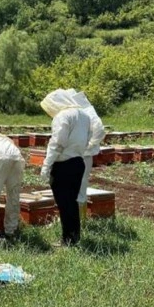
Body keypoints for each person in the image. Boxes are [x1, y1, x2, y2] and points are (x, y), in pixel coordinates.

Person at [40, 89, 92, 247]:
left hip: (63, 164)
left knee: (64, 203)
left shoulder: (62, 116)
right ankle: (74, 237)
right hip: (78, 162)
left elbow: (57, 143)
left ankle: (68, 240)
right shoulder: (84, 115)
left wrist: (46, 165)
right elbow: (89, 136)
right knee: (72, 202)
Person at [69, 90, 105, 221]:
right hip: (74, 154)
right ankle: (75, 219)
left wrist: (89, 145)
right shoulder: (80, 112)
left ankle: (80, 220)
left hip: (83, 156)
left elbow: (100, 130)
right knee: (73, 187)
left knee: (80, 187)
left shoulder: (88, 112)